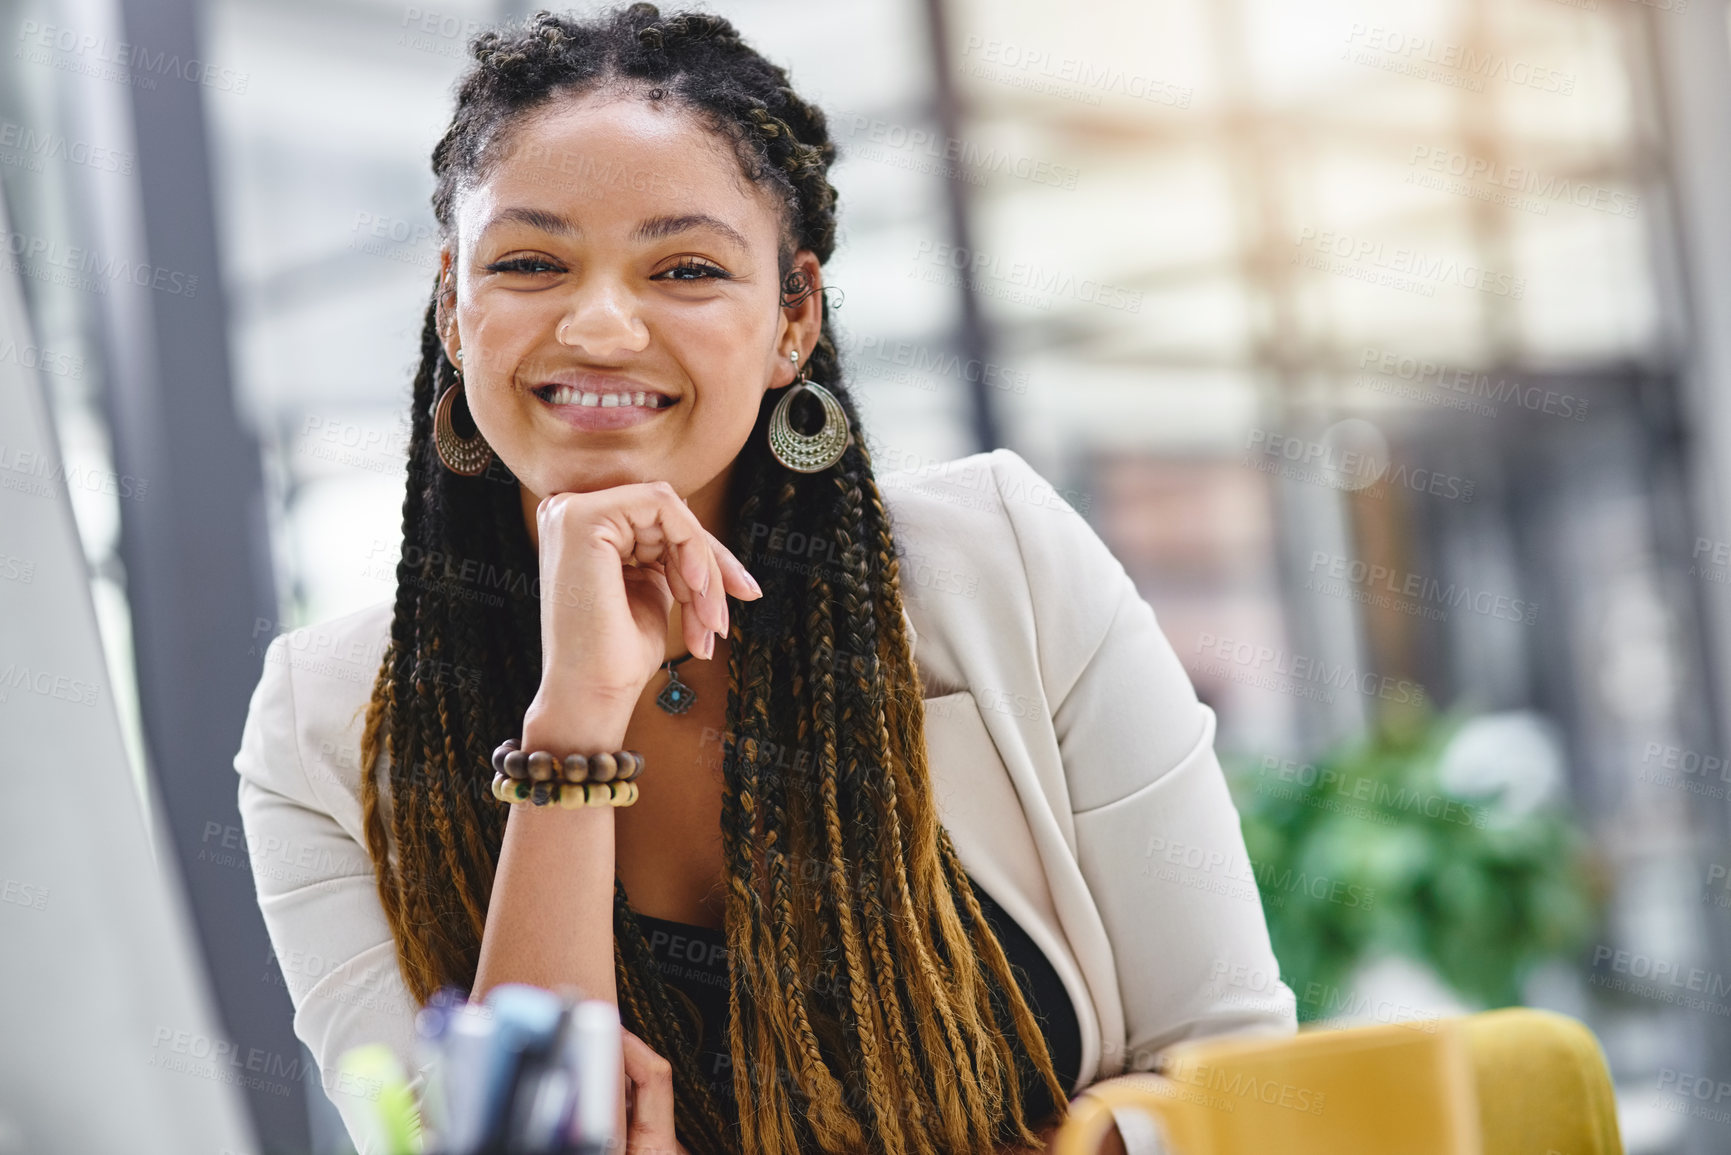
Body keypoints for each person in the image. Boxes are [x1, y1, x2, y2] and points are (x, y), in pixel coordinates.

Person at [232, 6, 1296, 1154]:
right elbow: (498, 1146)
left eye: (684, 267)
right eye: (531, 263)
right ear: (454, 305)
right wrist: (572, 725)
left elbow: (1234, 1065)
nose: (598, 325)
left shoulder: (1005, 563)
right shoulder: (322, 731)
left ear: (793, 315)